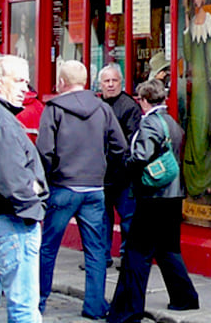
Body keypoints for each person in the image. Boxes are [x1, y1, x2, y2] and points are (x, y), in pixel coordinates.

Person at [36, 60, 127, 320]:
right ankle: (95, 306)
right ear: (86, 81)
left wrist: (48, 177)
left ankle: (38, 303)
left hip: (63, 187)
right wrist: (102, 169)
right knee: (96, 251)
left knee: (48, 248)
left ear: (61, 82)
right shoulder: (102, 108)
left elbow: (44, 151)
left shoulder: (53, 109)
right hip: (95, 188)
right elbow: (119, 146)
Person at [107, 79, 199, 323]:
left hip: (152, 196)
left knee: (137, 254)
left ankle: (128, 311)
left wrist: (123, 168)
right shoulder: (172, 122)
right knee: (168, 249)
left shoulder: (149, 124)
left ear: (144, 100)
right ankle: (185, 297)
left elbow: (139, 157)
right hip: (173, 195)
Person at [0, 54, 48, 323]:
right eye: (18, 81)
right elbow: (12, 178)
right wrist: (35, 204)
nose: (24, 89)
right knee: (24, 308)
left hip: (9, 218)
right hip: (13, 222)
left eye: (27, 82)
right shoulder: (3, 122)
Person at [180, 0, 211, 199]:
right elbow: (188, 54)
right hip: (197, 87)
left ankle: (206, 179)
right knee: (197, 132)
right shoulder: (195, 19)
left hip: (203, 88)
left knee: (201, 132)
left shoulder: (207, 20)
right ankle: (199, 180)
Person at [98, 64, 141, 269]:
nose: (111, 84)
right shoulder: (96, 104)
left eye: (114, 80)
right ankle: (102, 256)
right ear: (100, 85)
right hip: (100, 173)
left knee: (128, 218)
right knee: (102, 218)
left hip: (123, 173)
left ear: (121, 83)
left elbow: (132, 141)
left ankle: (127, 257)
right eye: (107, 81)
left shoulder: (129, 106)